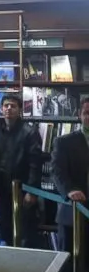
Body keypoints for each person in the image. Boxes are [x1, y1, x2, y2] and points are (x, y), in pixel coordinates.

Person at [0, 94, 42, 247]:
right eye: (6, 105)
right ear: (1, 109)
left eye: (13, 106)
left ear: (19, 110)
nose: (9, 108)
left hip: (23, 189)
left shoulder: (29, 132)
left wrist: (32, 191)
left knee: (25, 230)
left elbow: (35, 164)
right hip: (2, 189)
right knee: (4, 228)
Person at [52, 97, 89, 254]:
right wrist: (69, 190)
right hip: (73, 211)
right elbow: (57, 171)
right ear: (79, 115)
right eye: (87, 113)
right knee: (68, 263)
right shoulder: (64, 142)